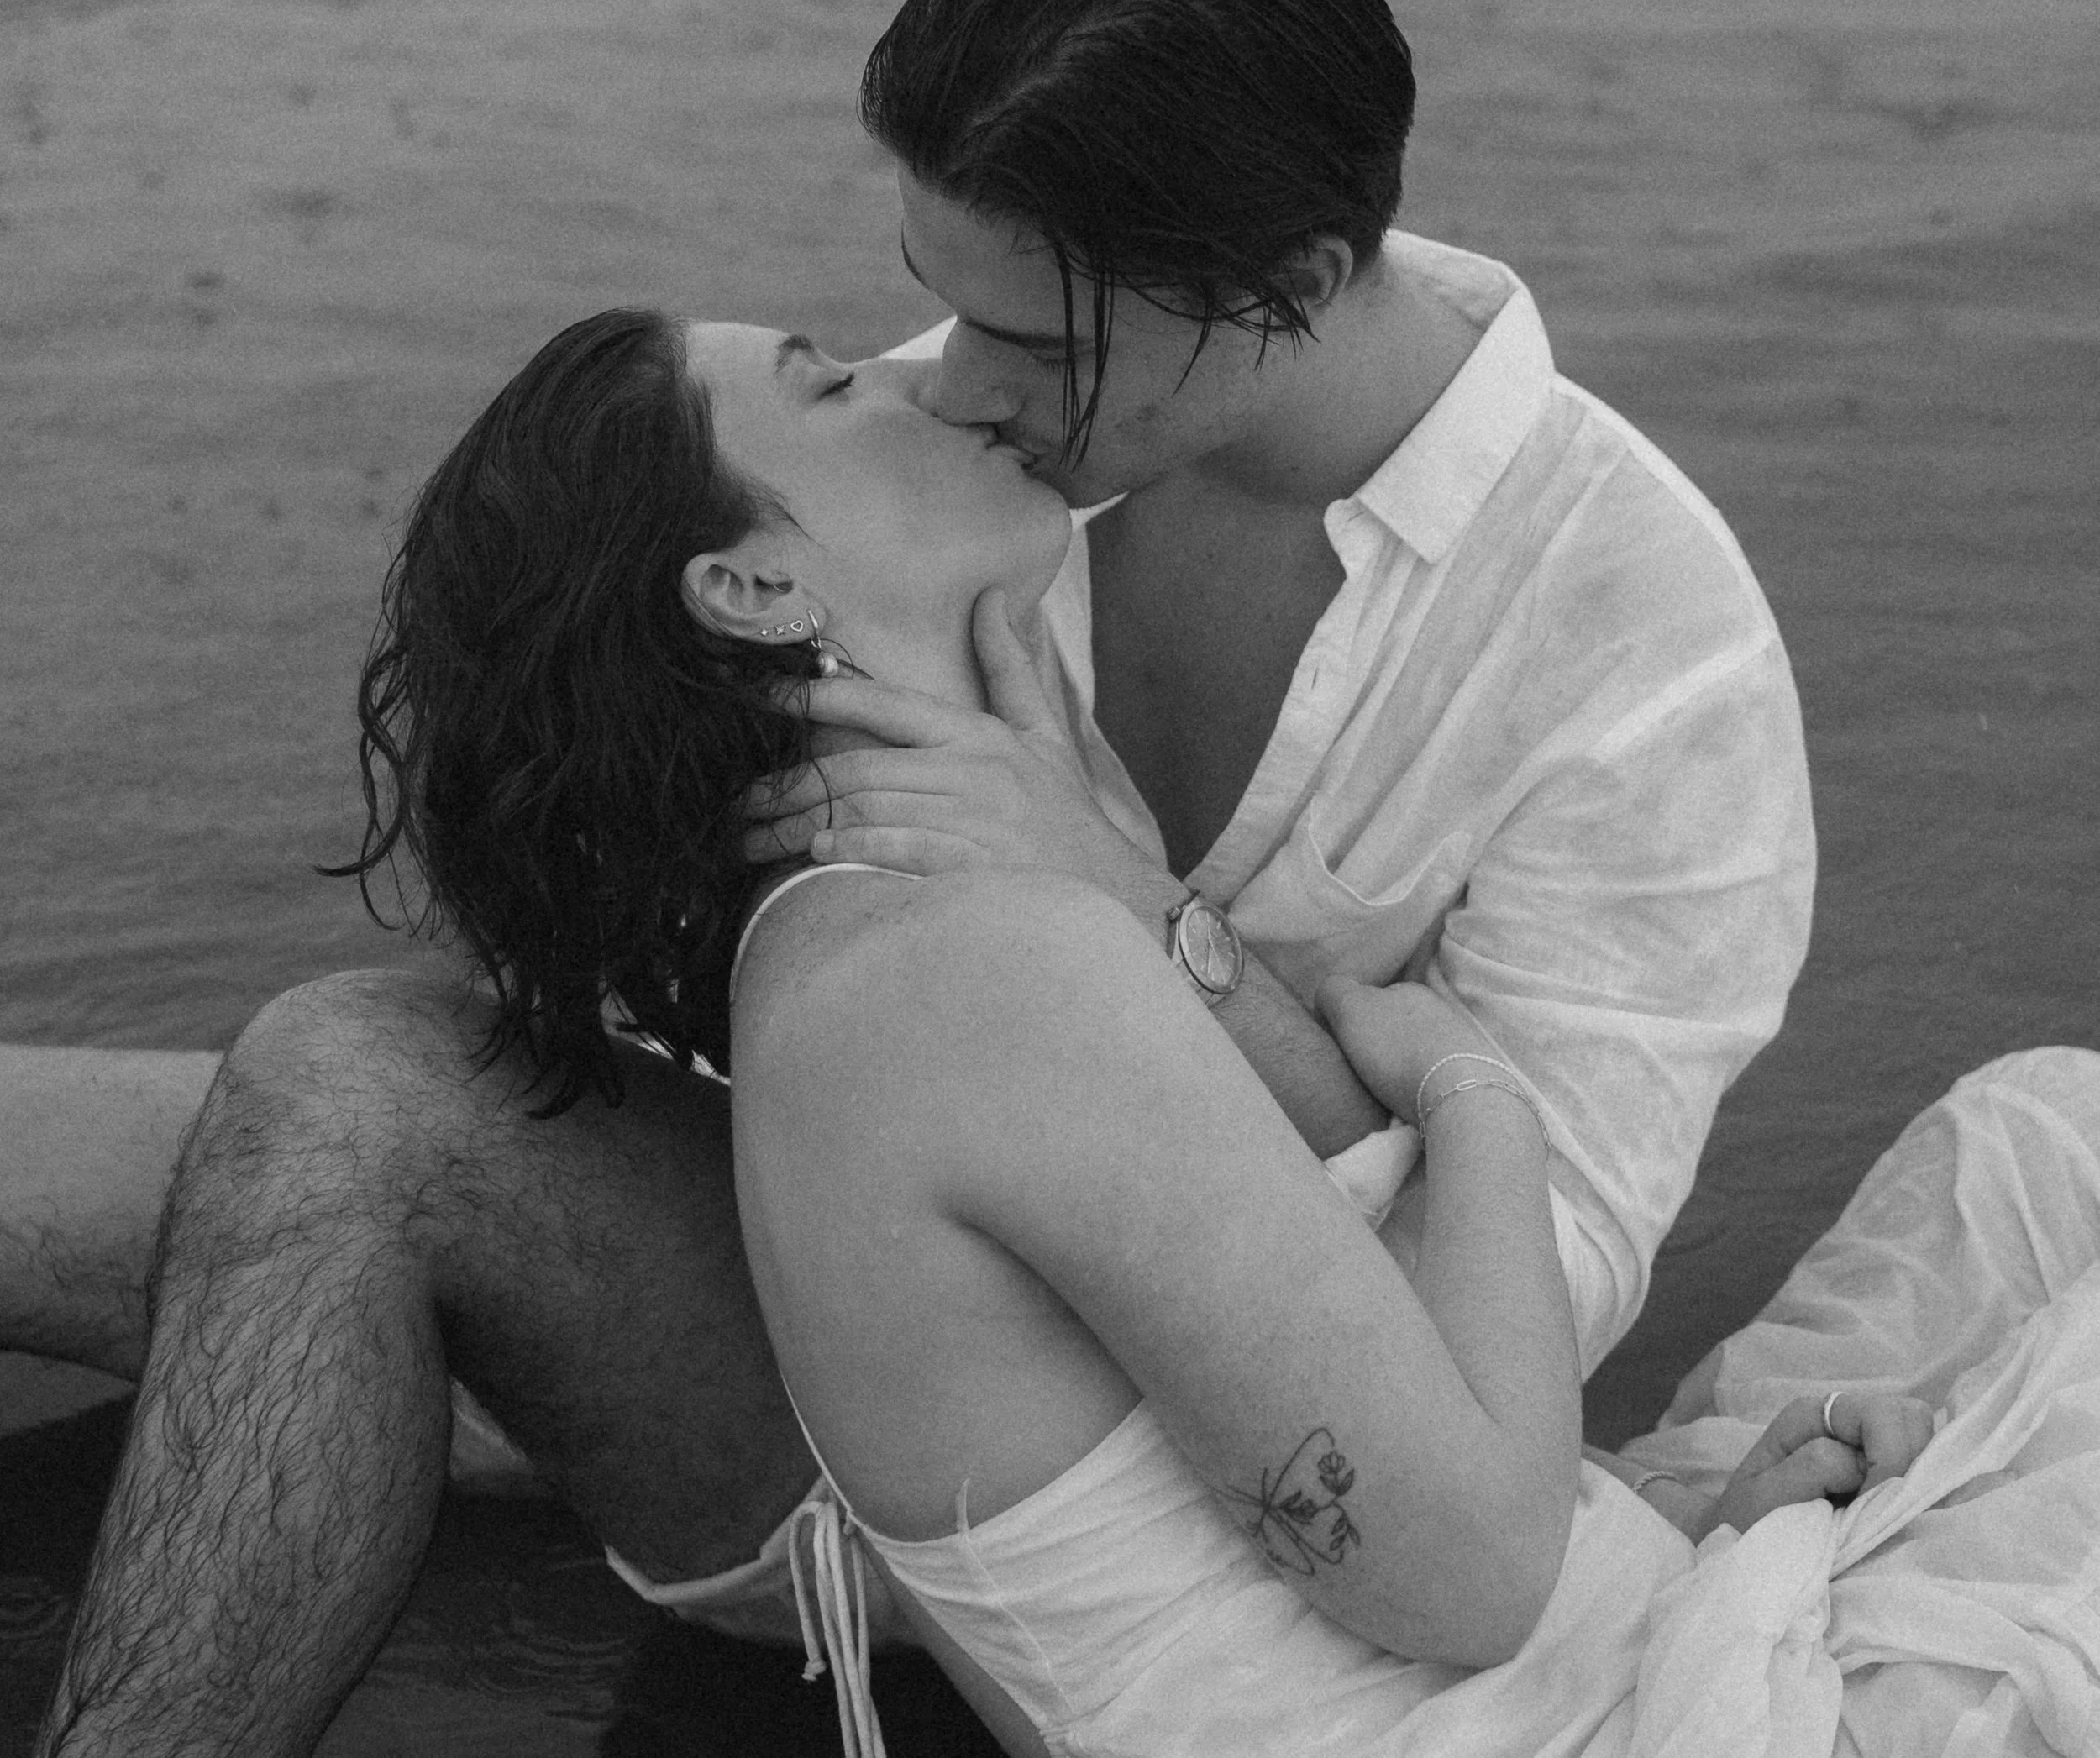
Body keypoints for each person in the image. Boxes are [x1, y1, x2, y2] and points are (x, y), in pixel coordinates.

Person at [16, 0, 1815, 1743]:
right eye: (940, 303)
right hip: (820, 1297)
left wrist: (1155, 930)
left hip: (1202, 1499)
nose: (950, 380)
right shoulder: (940, 459)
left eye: (1039, 344)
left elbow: (1542, 1305)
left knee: (344, 1101)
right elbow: (630, 835)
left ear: (1281, 293)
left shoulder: (1641, 649)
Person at [45, 307, 2097, 1758]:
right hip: (1535, 1701)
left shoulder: (860, 942)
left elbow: (1269, 1527)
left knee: (2041, 1133)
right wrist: (1471, 1093)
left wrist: (1671, 1553)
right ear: (751, 592)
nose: (932, 374)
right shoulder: (969, 973)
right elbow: (1462, 1579)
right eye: (832, 382)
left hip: (1492, 1650)